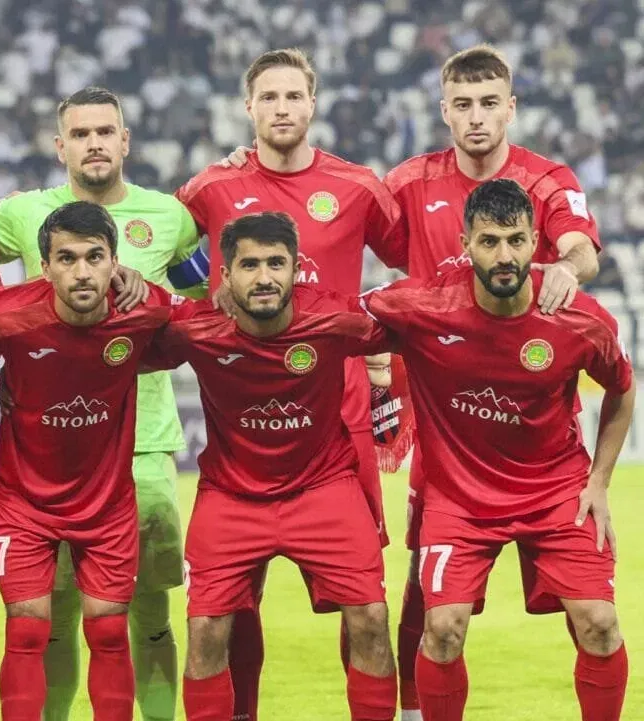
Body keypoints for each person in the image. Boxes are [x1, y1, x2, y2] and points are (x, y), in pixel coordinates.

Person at [173, 49, 405, 720]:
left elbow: (416, 261)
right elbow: (163, 256)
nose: (280, 107)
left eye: (292, 95)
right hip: (244, 413)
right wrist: (202, 293)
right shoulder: (211, 187)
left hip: (342, 419)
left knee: (361, 604)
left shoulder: (358, 185)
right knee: (226, 610)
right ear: (249, 108)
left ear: (312, 103)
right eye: (267, 96)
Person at [381, 47, 602, 719]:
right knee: (428, 584)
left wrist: (569, 265)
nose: (476, 118)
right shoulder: (408, 184)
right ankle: (417, 710)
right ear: (444, 109)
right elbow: (351, 240)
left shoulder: (545, 179)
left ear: (511, 106)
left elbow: (582, 247)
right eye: (463, 104)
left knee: (585, 599)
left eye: (489, 103)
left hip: (533, 416)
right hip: (445, 415)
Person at [359, 179, 630, 721]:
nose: (504, 256)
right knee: (441, 629)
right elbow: (336, 320)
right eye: (488, 242)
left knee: (600, 624)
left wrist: (598, 481)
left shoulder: (579, 318)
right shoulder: (424, 303)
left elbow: (622, 390)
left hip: (556, 492)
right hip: (459, 500)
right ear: (465, 242)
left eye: (515, 240)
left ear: (536, 243)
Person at [0, 85, 205, 721]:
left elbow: (202, 293)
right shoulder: (22, 215)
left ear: (125, 139)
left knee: (150, 612)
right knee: (50, 620)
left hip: (145, 444)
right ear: (61, 147)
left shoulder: (170, 215)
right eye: (80, 134)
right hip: (51, 457)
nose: (95, 143)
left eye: (105, 131)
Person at [149, 211, 397, 721]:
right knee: (205, 631)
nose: (264, 277)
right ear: (226, 275)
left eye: (276, 264)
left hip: (324, 488)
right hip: (231, 496)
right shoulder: (197, 329)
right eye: (250, 265)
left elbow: (426, 327)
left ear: (295, 268)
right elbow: (122, 338)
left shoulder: (335, 318)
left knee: (371, 618)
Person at [0, 201, 179, 720]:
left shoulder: (145, 310)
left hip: (106, 502)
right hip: (25, 500)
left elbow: (208, 333)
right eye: (67, 258)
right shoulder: (8, 316)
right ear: (46, 266)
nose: (81, 271)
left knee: (107, 626)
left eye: (94, 257)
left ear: (115, 262)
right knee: (29, 626)